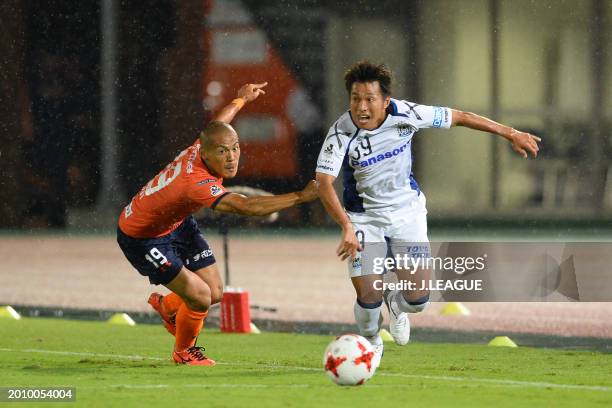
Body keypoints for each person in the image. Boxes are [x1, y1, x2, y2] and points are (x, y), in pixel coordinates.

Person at [315, 61, 540, 366]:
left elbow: (460, 117)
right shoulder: (341, 132)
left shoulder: (407, 113)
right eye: (355, 98)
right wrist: (346, 226)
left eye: (370, 99)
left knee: (418, 301)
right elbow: (323, 182)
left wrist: (509, 132)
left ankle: (396, 304)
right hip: (364, 218)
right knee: (368, 295)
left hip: (407, 212)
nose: (362, 107)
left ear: (385, 100)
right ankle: (369, 343)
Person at [117, 83, 319, 366]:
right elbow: (246, 207)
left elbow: (219, 123)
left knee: (214, 293)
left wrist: (241, 99)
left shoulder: (203, 144)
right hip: (142, 236)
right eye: (224, 152)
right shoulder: (196, 182)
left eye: (235, 149)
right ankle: (184, 353)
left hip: (175, 222)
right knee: (199, 297)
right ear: (208, 154)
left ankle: (168, 307)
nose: (232, 157)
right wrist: (301, 196)